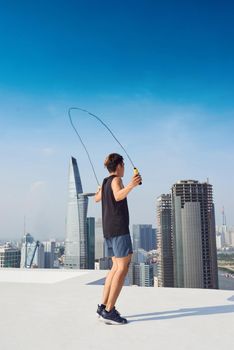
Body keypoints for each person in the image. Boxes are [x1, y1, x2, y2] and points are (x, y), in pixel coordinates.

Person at [94, 153, 142, 325]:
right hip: (118, 228)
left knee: (115, 267)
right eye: (123, 165)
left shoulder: (105, 181)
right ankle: (109, 311)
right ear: (119, 165)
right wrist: (132, 184)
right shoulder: (115, 180)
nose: (125, 168)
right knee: (123, 267)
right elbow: (118, 196)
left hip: (108, 230)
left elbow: (96, 198)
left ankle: (103, 306)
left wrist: (100, 190)